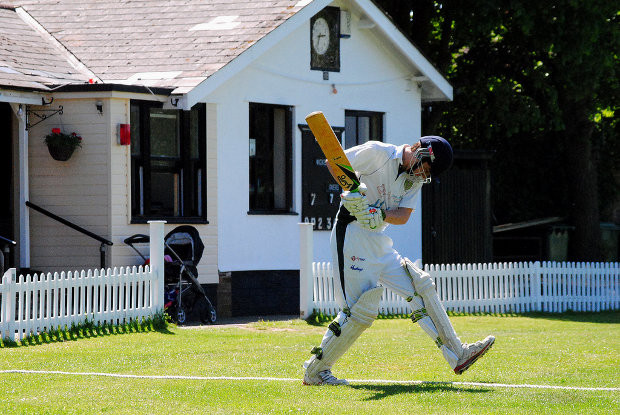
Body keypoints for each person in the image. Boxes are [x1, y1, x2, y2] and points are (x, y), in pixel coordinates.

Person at [303, 136, 495, 386]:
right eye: (425, 167)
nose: (422, 175)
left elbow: (403, 215)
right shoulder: (377, 152)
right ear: (419, 149)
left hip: (378, 238)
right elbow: (334, 162)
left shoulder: (414, 179)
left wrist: (378, 213)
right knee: (359, 312)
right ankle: (316, 371)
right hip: (351, 234)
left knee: (420, 285)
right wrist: (352, 193)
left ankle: (458, 354)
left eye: (428, 172)